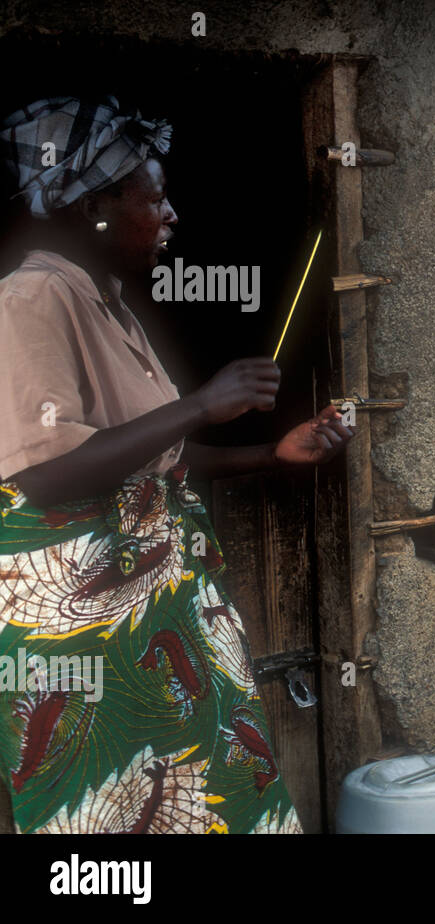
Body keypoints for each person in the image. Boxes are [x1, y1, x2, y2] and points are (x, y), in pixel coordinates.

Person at [0, 97, 353, 834]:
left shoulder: (107, 305)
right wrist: (200, 402)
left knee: (214, 796)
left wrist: (269, 452)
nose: (171, 214)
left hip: (151, 612)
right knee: (120, 819)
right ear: (96, 207)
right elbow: (45, 472)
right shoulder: (32, 298)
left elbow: (145, 458)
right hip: (89, 639)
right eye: (154, 197)